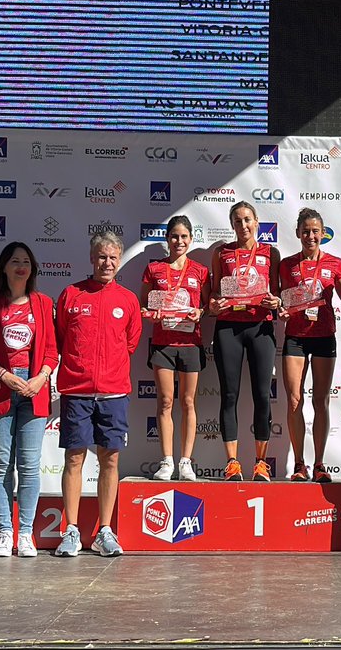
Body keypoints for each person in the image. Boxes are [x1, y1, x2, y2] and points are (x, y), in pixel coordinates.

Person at [53, 231, 141, 557]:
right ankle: (72, 531)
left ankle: (105, 530)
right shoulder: (71, 295)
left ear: (119, 260)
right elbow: (62, 337)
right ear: (92, 258)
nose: (107, 263)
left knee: (110, 459)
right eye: (102, 257)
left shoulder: (128, 299)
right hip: (76, 391)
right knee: (74, 458)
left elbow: (130, 343)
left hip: (114, 392)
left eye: (113, 257)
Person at [0, 242, 58, 558]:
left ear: (32, 268)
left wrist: (39, 379)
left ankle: (26, 534)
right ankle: (5, 533)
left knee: (30, 466)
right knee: (2, 464)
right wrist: (5, 376)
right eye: (14, 261)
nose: (21, 266)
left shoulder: (44, 303)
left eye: (26, 261)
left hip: (33, 390)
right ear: (3, 267)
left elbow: (50, 351)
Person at [278, 208, 341, 482]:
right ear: (297, 233)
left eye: (315, 231)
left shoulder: (334, 263)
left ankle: (320, 464)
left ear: (322, 234)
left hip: (324, 336)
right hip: (296, 338)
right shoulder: (287, 264)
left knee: (321, 400)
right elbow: (281, 300)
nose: (310, 236)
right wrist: (281, 309)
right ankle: (299, 464)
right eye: (305, 231)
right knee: (293, 400)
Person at [208, 201, 281, 481]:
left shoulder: (270, 253)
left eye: (248, 220)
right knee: (229, 395)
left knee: (262, 395)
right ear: (232, 225)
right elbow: (214, 293)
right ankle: (232, 463)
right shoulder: (221, 253)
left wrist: (276, 301)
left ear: (257, 221)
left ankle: (261, 463)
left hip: (260, 326)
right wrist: (214, 305)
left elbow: (276, 293)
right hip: (228, 328)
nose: (243, 226)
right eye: (237, 221)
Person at [140, 216, 210, 481]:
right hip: (163, 343)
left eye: (183, 237)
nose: (179, 241)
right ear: (167, 239)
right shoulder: (154, 269)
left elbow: (208, 306)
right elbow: (143, 304)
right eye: (174, 236)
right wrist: (151, 314)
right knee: (166, 401)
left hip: (191, 343)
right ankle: (167, 461)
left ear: (191, 239)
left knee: (189, 401)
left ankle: (186, 462)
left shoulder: (200, 271)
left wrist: (199, 312)